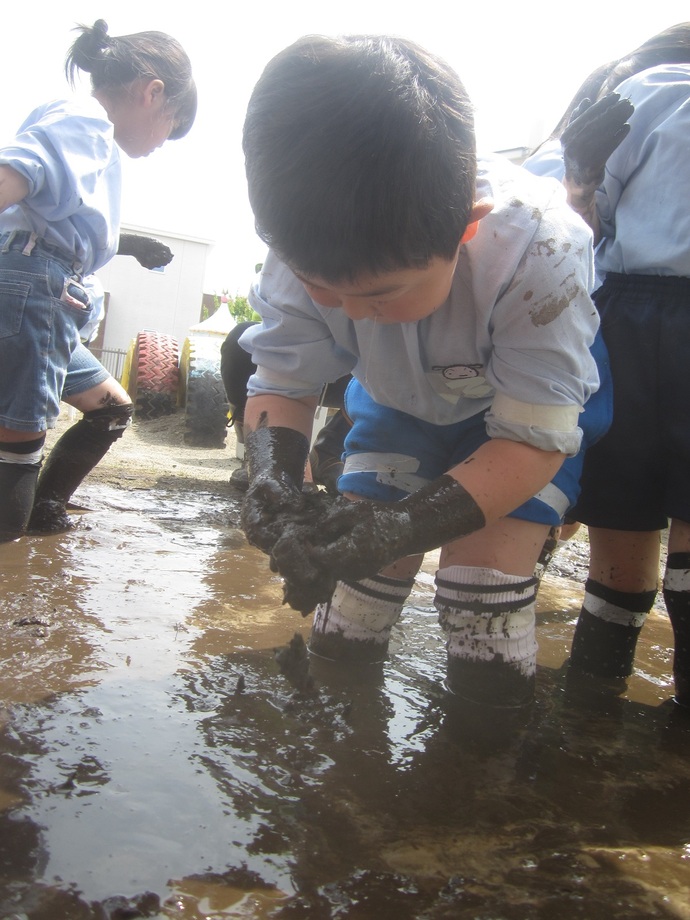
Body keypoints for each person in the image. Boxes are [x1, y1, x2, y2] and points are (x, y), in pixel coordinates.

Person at [236, 34, 612, 708]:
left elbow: (531, 439)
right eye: (321, 286)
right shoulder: (304, 248)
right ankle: (343, 763)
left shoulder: (539, 251)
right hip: (397, 401)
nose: (351, 312)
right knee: (350, 599)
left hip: (523, 419)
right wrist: (269, 482)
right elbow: (282, 385)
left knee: (480, 593)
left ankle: (480, 777)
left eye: (380, 295)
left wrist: (402, 526)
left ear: (466, 230)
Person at [525, 24, 690, 708]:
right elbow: (575, 222)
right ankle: (604, 707)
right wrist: (582, 180)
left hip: (632, 312)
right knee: (622, 513)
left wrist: (584, 182)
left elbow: (579, 224)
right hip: (629, 313)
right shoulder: (650, 89)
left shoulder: (645, 89)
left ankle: (590, 710)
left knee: (623, 524)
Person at [0, 19, 196, 541]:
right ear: (153, 94)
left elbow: (54, 212)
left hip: (44, 293)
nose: (163, 141)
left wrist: (126, 245)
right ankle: (12, 564)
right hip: (34, 289)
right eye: (171, 124)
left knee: (112, 407)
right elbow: (14, 175)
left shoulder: (87, 132)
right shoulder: (87, 119)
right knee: (17, 439)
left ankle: (44, 509)